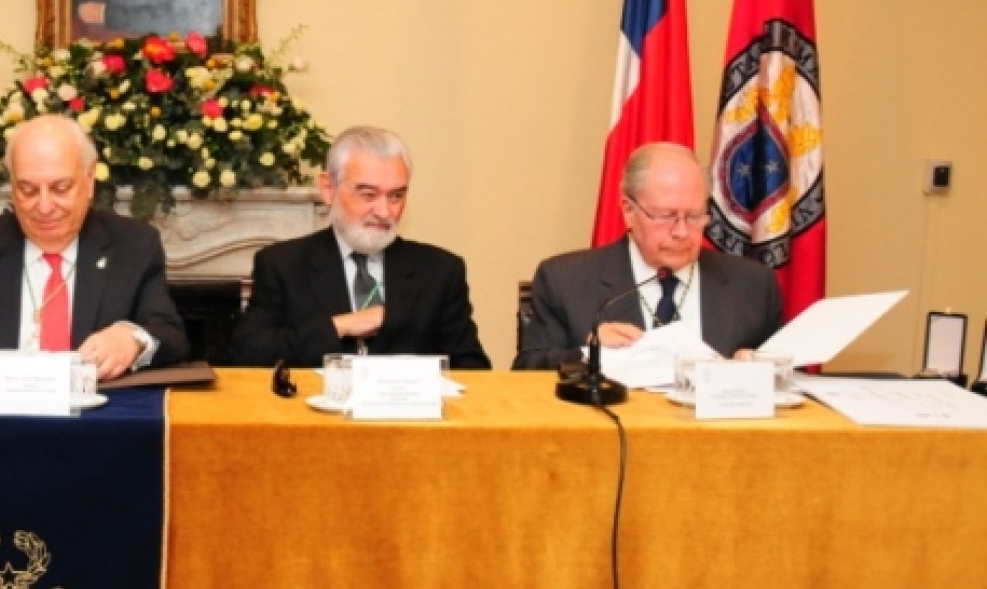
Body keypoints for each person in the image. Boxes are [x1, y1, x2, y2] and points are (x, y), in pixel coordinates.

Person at [0, 114, 188, 381]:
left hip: (94, 424)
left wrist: (132, 339)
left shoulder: (133, 245)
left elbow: (171, 335)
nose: (43, 206)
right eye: (27, 190)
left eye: (60, 188)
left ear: (90, 179)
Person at [228, 126, 492, 369]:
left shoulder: (440, 271)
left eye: (396, 196)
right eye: (368, 195)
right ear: (328, 189)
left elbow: (473, 369)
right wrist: (340, 326)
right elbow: (246, 354)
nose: (384, 211)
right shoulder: (283, 264)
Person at [512, 142, 783, 370]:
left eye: (694, 216)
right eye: (666, 216)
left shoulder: (753, 286)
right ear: (629, 210)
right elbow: (526, 374)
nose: (681, 232)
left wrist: (759, 372)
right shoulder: (565, 280)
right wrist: (589, 353)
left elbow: (792, 385)